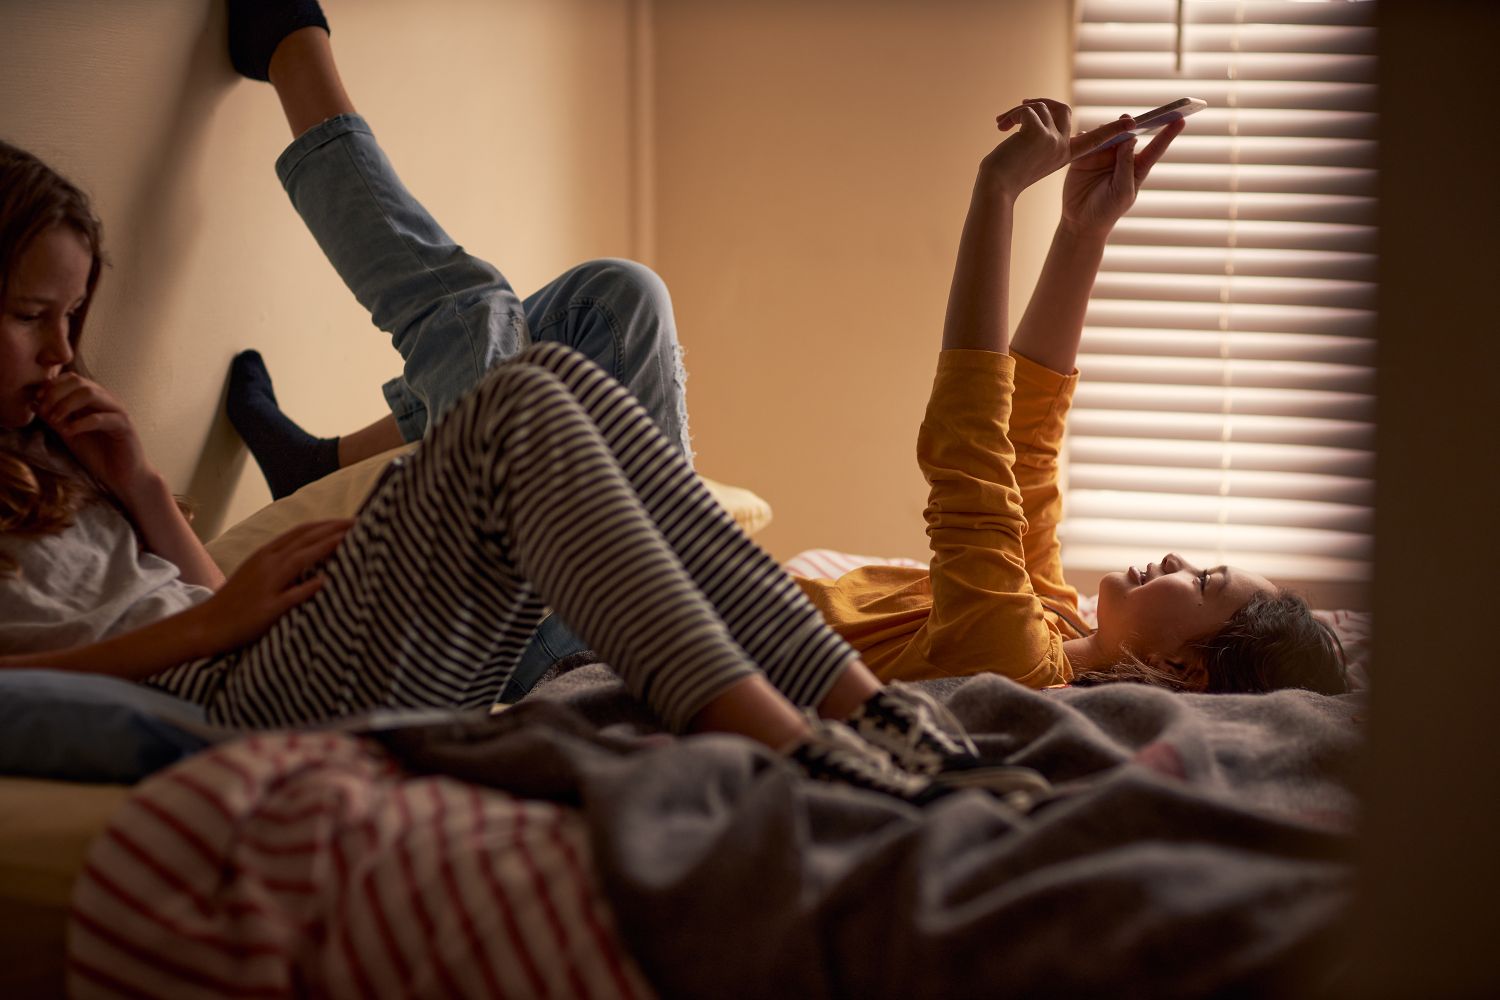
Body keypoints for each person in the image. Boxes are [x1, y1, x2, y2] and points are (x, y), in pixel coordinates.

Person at [4, 2, 1165, 807]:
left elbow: (209, 604)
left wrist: (150, 492)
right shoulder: (1031, 624)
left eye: (71, 317)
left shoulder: (54, 459)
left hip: (272, 654)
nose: (63, 351)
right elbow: (1000, 436)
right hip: (240, 688)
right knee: (526, 383)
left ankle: (877, 727)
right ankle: (812, 748)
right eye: (28, 316)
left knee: (575, 350)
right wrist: (208, 620)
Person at [790, 99, 1348, 697]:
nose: (1173, 559)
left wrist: (998, 190)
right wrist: (1083, 232)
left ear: (1181, 669)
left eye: (1203, 581)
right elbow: (1025, 445)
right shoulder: (1057, 625)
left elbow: (973, 459)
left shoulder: (1015, 659)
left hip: (694, 628)